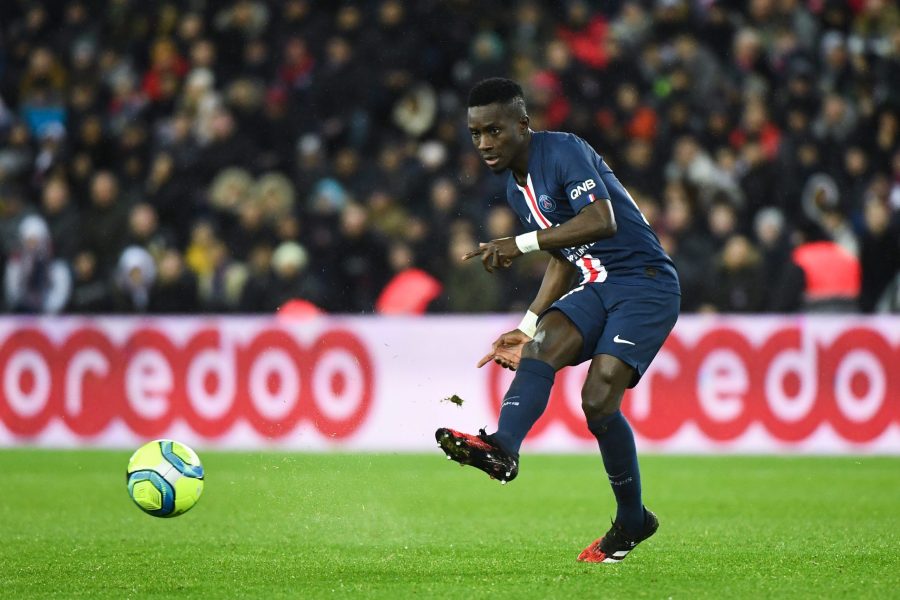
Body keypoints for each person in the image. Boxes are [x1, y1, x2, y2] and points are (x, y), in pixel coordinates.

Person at [435, 78, 681, 564]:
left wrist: (519, 244)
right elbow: (565, 253)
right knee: (543, 342)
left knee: (598, 398)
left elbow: (601, 220)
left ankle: (632, 518)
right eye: (475, 133)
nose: (484, 143)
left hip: (646, 281)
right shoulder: (514, 187)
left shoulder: (563, 151)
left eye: (495, 131)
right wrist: (526, 324)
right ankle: (504, 447)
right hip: (597, 282)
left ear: (523, 124)